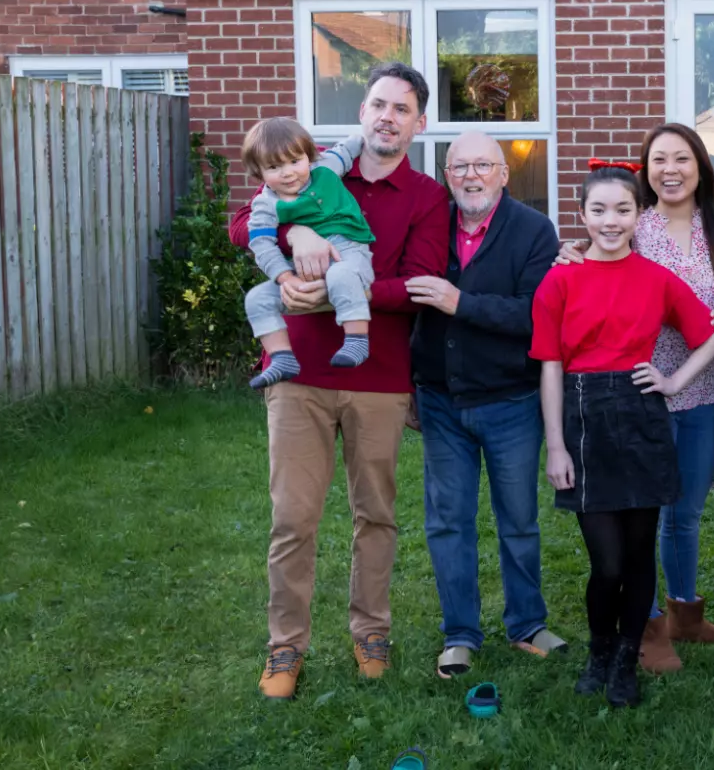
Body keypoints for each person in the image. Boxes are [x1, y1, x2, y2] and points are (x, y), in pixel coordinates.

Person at [230, 63, 451, 701]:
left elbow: (417, 282)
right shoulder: (311, 168)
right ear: (362, 111)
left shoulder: (426, 197)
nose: (387, 117)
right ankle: (285, 648)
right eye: (378, 104)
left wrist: (328, 292)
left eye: (401, 109)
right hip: (300, 374)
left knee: (375, 514)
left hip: (378, 378)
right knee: (293, 518)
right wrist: (294, 228)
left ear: (419, 123)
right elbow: (244, 221)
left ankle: (371, 632)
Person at [531, 165, 714, 709]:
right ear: (582, 215)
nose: (611, 221)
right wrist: (555, 444)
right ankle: (599, 650)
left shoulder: (655, 278)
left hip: (643, 419)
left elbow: (713, 335)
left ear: (639, 215)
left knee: (640, 555)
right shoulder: (559, 280)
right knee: (608, 563)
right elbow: (549, 365)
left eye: (623, 210)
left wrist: (672, 381)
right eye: (599, 210)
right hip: (583, 418)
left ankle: (626, 658)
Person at [401, 131, 565, 680]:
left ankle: (526, 624)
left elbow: (534, 316)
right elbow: (400, 309)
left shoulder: (534, 231)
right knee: (449, 521)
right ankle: (460, 634)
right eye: (459, 167)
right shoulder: (431, 224)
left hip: (511, 400)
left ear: (503, 173)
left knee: (518, 520)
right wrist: (408, 383)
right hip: (441, 400)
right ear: (447, 177)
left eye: (482, 166)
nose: (471, 176)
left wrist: (459, 302)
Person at [240, 118, 378, 389]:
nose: (288, 172)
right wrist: (285, 278)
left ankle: (357, 340)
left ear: (308, 156)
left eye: (295, 161)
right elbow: (261, 245)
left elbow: (346, 150)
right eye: (274, 167)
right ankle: (282, 358)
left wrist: (364, 137)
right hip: (301, 270)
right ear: (258, 172)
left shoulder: (325, 169)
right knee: (256, 298)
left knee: (341, 276)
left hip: (348, 253)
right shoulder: (265, 205)